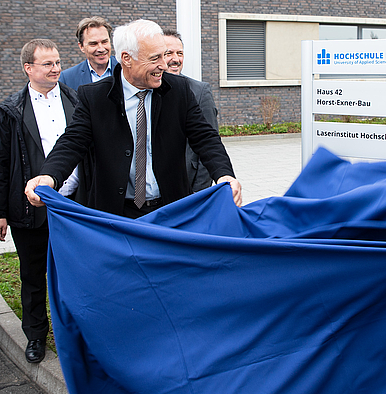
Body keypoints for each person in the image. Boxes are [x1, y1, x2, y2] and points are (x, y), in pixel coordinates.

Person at [24, 19, 242, 219]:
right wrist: (49, 176)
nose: (164, 66)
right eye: (155, 58)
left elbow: (205, 138)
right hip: (115, 214)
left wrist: (224, 175)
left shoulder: (179, 91)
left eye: (164, 55)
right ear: (127, 58)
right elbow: (72, 142)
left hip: (170, 209)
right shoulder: (94, 97)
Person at [0, 39, 82, 363]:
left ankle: (74, 334)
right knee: (33, 276)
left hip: (72, 206)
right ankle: (35, 336)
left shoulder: (76, 101)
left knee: (72, 275)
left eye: (58, 62)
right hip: (27, 210)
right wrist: (1, 212)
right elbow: (2, 163)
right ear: (28, 68)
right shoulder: (10, 110)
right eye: (47, 64)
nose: (56, 69)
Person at [163, 28, 215, 192]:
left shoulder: (200, 91)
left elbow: (209, 144)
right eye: (169, 53)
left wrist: (197, 194)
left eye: (180, 53)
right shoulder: (146, 92)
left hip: (189, 185)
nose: (176, 59)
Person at [59, 16, 119, 90]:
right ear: (81, 46)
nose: (101, 49)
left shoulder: (127, 69)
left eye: (104, 42)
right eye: (93, 43)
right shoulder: (67, 79)